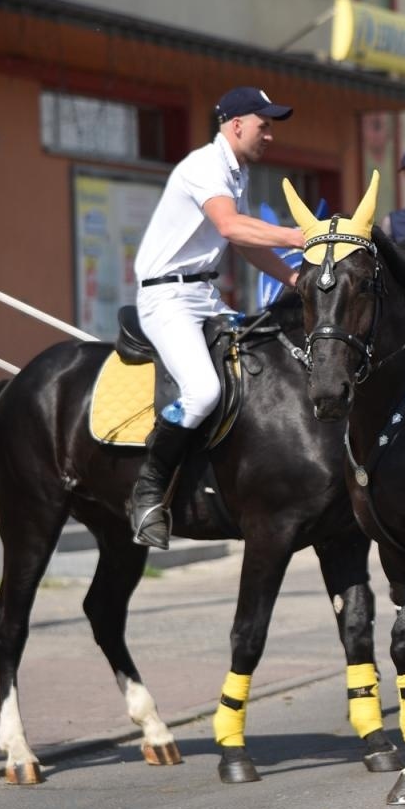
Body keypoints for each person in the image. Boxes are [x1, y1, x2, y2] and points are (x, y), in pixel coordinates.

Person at [128, 87, 306, 549]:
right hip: (165, 299)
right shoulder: (205, 166)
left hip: (201, 294)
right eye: (264, 125)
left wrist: (293, 281)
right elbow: (230, 227)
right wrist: (298, 235)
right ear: (237, 124)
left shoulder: (236, 172)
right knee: (203, 390)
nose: (270, 135)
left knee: (264, 363)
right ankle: (148, 490)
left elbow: (245, 244)